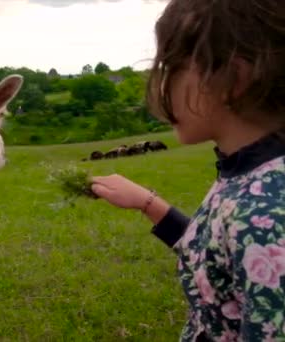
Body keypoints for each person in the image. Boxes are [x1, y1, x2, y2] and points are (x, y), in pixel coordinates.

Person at [90, 0, 285, 341]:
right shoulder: (249, 173)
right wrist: (149, 204)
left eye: (171, 66)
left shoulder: (267, 214)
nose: (162, 83)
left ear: (232, 79)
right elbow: (217, 258)